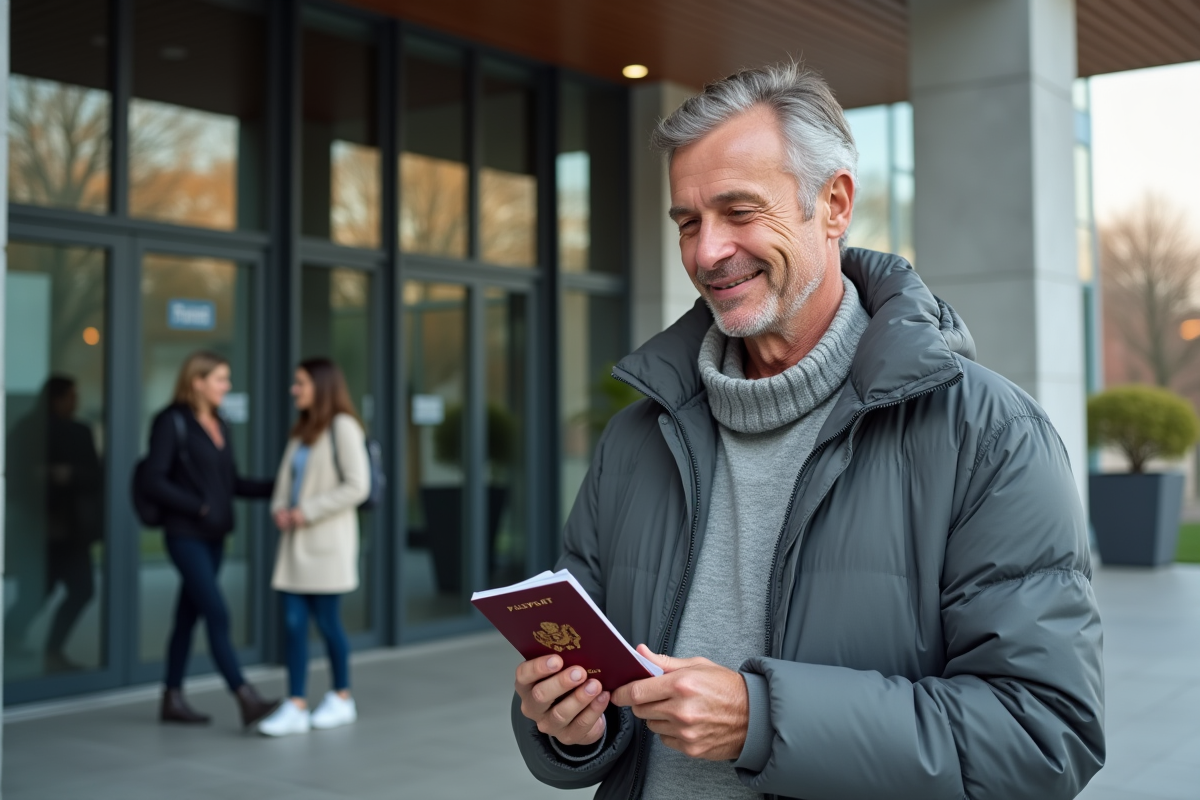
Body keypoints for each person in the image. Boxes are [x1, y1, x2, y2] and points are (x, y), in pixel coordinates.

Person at [511, 63, 1105, 800]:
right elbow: (581, 680)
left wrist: (765, 720)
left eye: (739, 211)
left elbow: (1044, 733)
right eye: (689, 222)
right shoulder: (636, 439)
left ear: (834, 203)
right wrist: (566, 725)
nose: (706, 252)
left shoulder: (988, 436)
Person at [142, 351, 278, 727]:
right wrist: (197, 506)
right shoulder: (171, 422)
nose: (227, 386)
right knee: (217, 612)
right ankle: (244, 697)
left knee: (187, 617)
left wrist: (278, 486)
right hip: (185, 535)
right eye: (220, 379)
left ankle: (171, 697)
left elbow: (231, 482)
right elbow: (154, 479)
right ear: (197, 381)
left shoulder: (222, 422)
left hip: (216, 537)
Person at [256, 358, 369, 737]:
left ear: (321, 385)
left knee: (326, 623)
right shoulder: (302, 429)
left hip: (326, 546)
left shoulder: (343, 426)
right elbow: (284, 482)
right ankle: (296, 704)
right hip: (294, 545)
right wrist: (279, 510)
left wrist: (305, 511)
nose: (294, 389)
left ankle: (341, 697)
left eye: (300, 382)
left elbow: (358, 486)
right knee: (291, 625)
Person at [4, 375, 103, 672]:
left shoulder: (80, 431)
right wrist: (40, 477)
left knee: (81, 590)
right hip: (35, 528)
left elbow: (96, 477)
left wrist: (69, 474)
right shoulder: (26, 431)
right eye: (71, 396)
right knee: (36, 591)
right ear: (55, 398)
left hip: (72, 529)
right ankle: (11, 639)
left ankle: (51, 650)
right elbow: (13, 476)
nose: (76, 403)